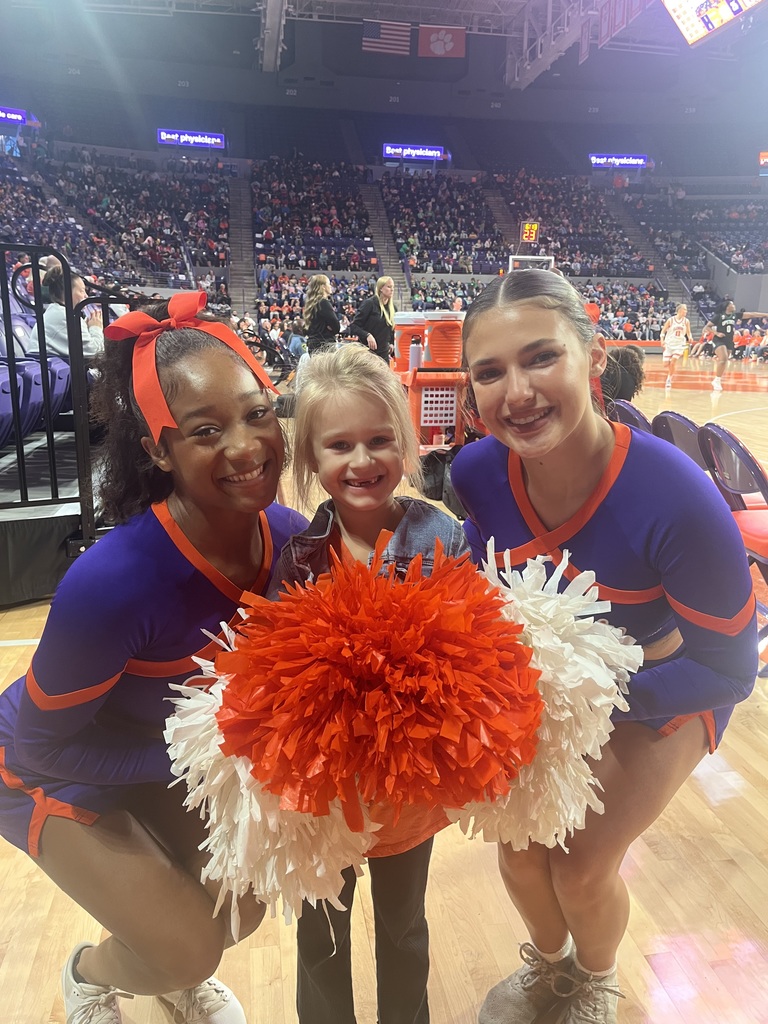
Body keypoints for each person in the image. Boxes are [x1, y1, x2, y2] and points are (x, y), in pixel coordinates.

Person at [450, 271, 757, 1024]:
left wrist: (581, 698)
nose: (517, 392)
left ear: (593, 357)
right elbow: (486, 583)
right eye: (490, 372)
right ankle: (551, 965)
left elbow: (730, 670)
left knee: (583, 866)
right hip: (549, 689)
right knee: (519, 850)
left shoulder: (677, 496)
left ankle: (596, 978)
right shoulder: (475, 473)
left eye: (541, 357)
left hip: (671, 681)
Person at [0, 291, 307, 1024]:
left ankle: (158, 953)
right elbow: (38, 745)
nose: (245, 446)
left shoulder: (294, 539)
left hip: (156, 750)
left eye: (257, 413)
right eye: (205, 430)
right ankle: (91, 974)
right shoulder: (114, 582)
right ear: (157, 451)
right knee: (189, 948)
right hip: (42, 767)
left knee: (242, 905)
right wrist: (201, 759)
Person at [267, 344, 469, 1024]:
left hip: (408, 797)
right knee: (320, 934)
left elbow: (476, 655)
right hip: (324, 800)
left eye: (380, 440)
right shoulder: (299, 558)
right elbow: (276, 681)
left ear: (405, 443)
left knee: (404, 927)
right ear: (311, 456)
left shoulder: (442, 536)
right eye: (340, 445)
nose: (362, 461)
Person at [27, 266, 103, 363]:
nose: (86, 296)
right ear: (67, 293)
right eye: (81, 290)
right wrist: (96, 328)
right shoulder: (64, 317)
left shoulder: (59, 312)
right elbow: (95, 352)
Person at [347, 275, 396, 361]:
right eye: (389, 287)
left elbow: (391, 329)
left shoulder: (393, 308)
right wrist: (367, 335)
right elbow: (354, 326)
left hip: (383, 354)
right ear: (381, 288)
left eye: (393, 287)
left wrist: (392, 343)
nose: (392, 289)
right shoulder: (369, 304)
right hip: (367, 352)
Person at [304, 274, 340, 354]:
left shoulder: (312, 303)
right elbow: (336, 326)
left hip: (314, 344)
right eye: (329, 284)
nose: (330, 286)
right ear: (323, 287)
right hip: (324, 345)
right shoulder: (323, 303)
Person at [659, 302, 692, 388]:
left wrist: (690, 337)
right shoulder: (671, 320)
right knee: (666, 364)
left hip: (680, 344)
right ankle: (671, 370)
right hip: (669, 343)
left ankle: (669, 379)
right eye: (685, 309)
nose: (686, 311)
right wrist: (662, 340)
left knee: (673, 362)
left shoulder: (686, 321)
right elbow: (663, 331)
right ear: (680, 310)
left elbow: (688, 332)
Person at [706, 300, 736, 391]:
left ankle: (717, 379)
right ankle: (717, 380)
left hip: (729, 341)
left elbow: (752, 314)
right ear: (727, 307)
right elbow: (707, 326)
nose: (734, 305)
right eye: (732, 304)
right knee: (723, 358)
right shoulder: (719, 316)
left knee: (724, 361)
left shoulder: (735, 315)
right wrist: (716, 333)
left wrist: (764, 315)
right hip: (719, 339)